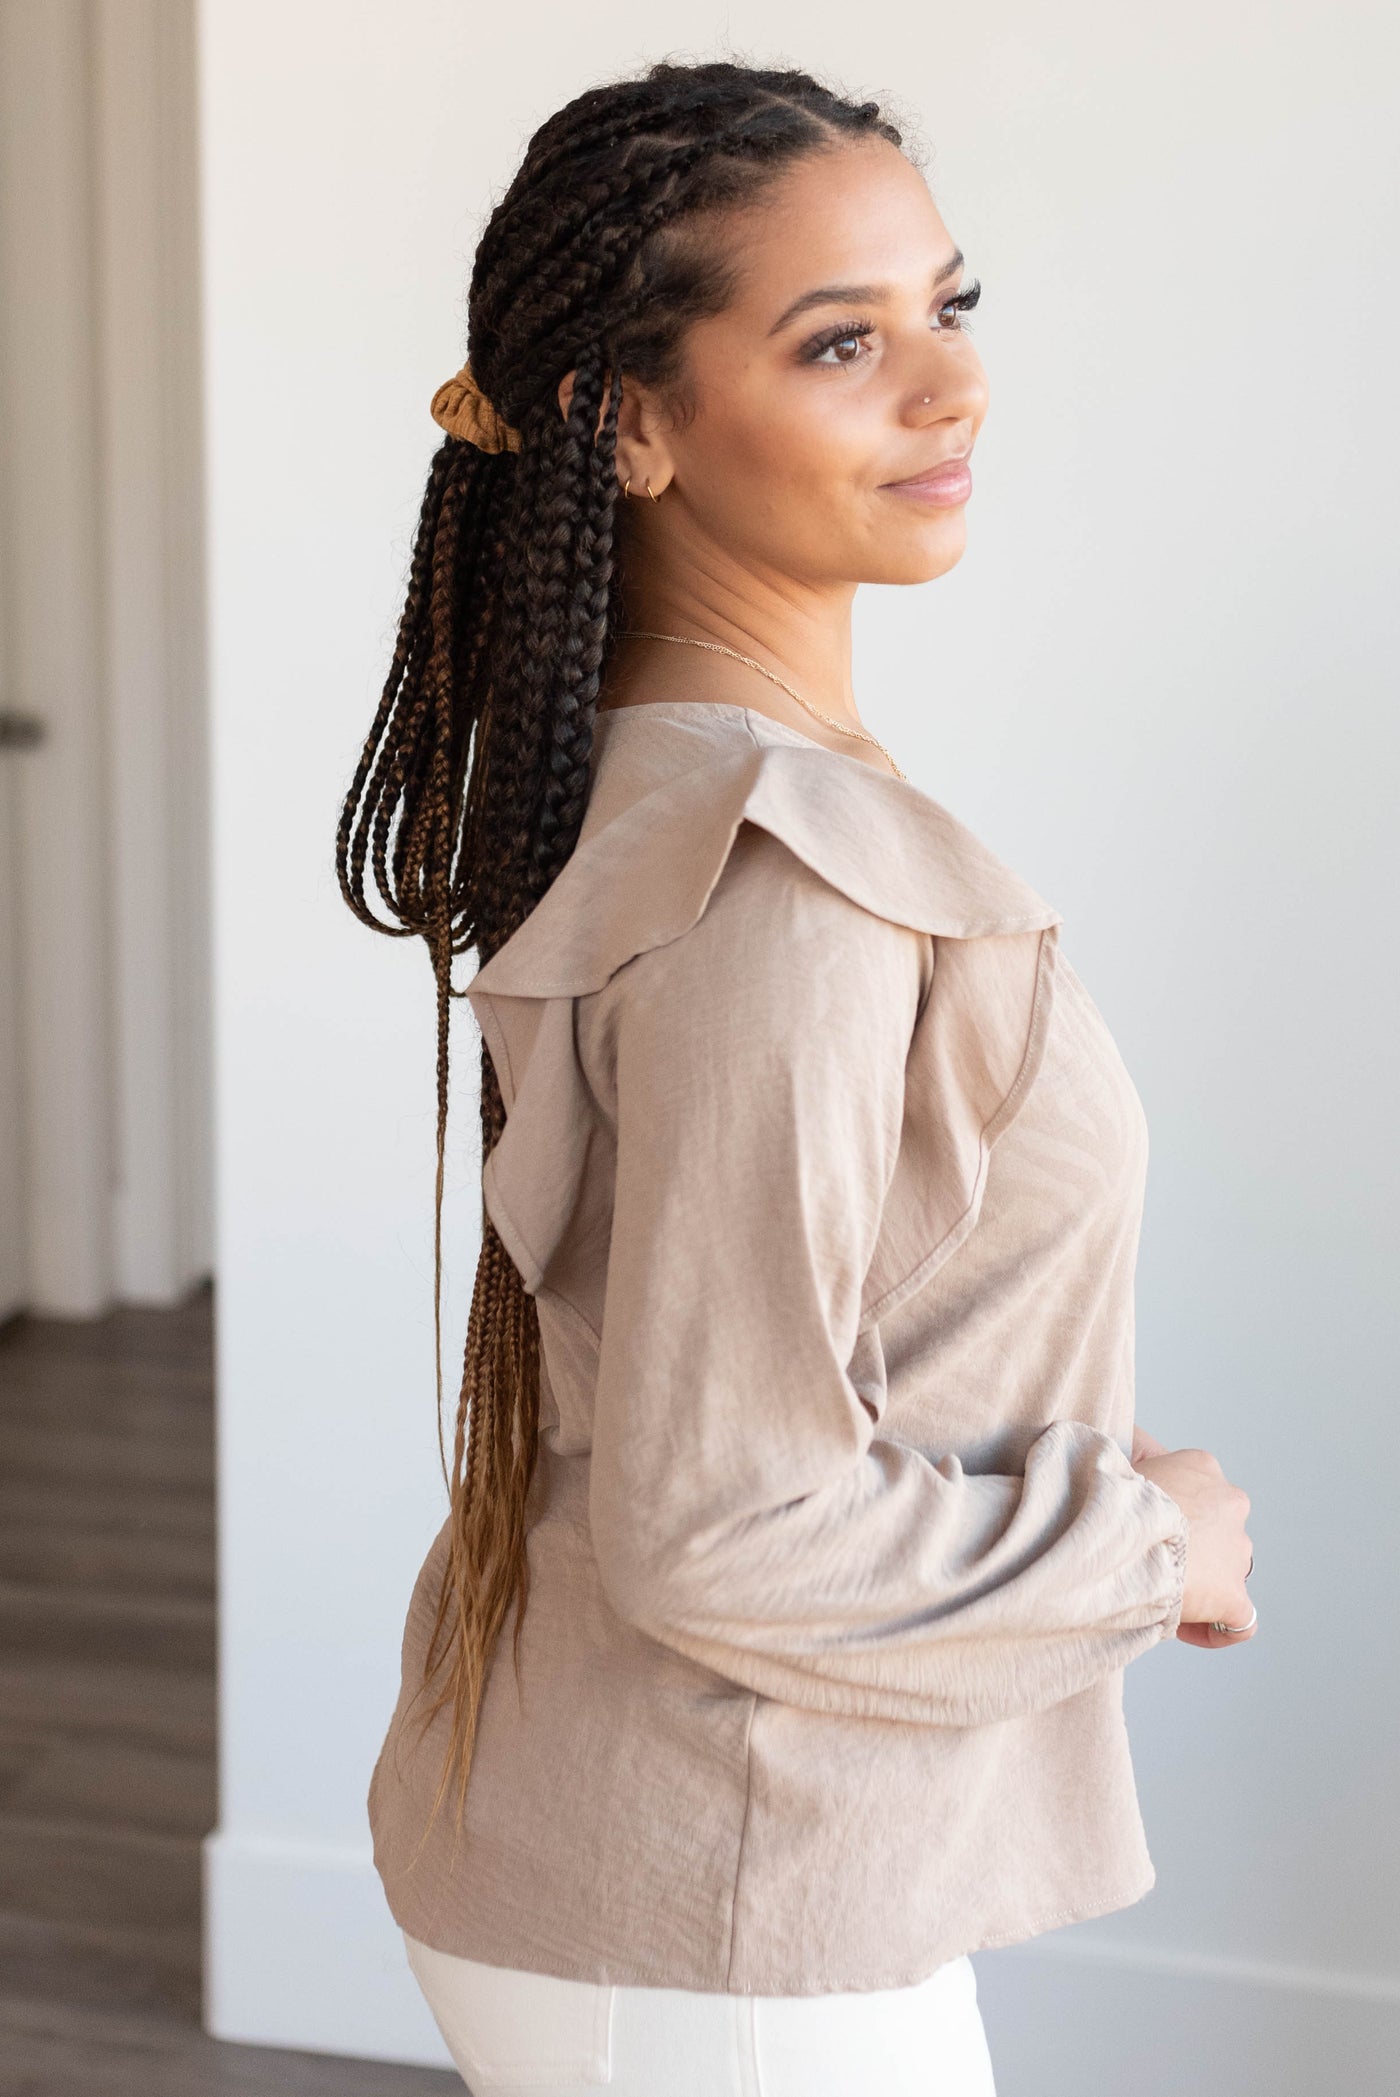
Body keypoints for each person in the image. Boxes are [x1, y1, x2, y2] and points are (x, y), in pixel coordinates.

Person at [335, 56, 1256, 2097]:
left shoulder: (671, 795)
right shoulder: (786, 877)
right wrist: (1145, 1549)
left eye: (949, 306)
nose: (948, 390)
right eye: (841, 340)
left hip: (655, 1861)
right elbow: (727, 1523)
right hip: (721, 1923)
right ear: (630, 425)